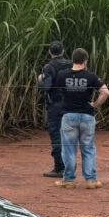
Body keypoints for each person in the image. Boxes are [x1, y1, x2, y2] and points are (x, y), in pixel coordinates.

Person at [54, 48, 109, 189]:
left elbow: (53, 88)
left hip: (68, 116)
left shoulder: (62, 75)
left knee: (68, 149)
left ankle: (68, 180)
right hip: (87, 116)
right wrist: (95, 105)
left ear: (72, 60)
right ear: (86, 61)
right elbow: (105, 92)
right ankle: (91, 180)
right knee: (88, 148)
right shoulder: (91, 76)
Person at [37, 41, 73, 178]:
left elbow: (46, 87)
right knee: (70, 136)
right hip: (71, 104)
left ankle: (59, 168)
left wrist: (40, 79)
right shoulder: (71, 64)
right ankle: (69, 166)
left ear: (50, 52)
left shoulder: (49, 67)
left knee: (56, 135)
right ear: (63, 51)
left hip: (56, 106)